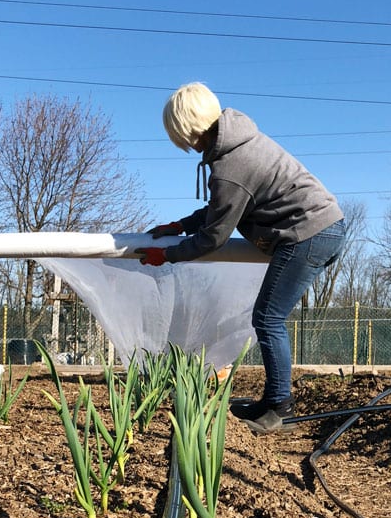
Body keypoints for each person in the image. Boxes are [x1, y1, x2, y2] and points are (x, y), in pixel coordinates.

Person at [136, 82, 346, 434]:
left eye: (181, 136)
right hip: (319, 228)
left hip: (309, 232)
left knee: (267, 318)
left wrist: (168, 255)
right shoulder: (236, 144)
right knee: (268, 317)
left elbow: (215, 237)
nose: (184, 145)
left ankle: (280, 408)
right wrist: (181, 224)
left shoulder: (232, 164)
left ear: (189, 127)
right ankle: (271, 401)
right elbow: (221, 209)